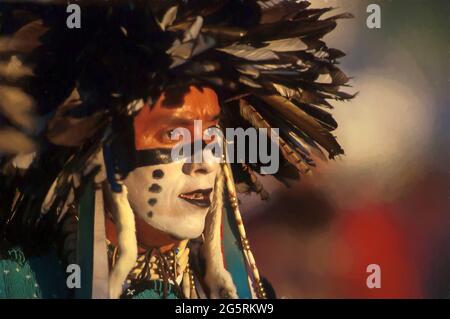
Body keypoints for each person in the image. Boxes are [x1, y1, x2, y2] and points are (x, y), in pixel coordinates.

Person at [0, 0, 352, 299]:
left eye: (212, 134)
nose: (203, 163)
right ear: (98, 151)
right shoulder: (17, 282)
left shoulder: (242, 295)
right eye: (174, 135)